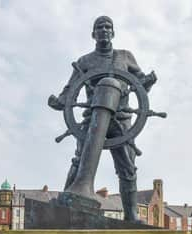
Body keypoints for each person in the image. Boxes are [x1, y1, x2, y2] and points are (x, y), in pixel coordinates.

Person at [48, 16, 156, 222]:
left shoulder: (126, 56)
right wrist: (60, 101)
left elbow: (140, 83)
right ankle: (68, 200)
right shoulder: (85, 61)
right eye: (100, 27)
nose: (104, 30)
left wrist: (148, 81)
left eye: (108, 27)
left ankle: (131, 215)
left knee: (127, 167)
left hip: (121, 118)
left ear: (113, 33)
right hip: (93, 118)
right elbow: (70, 90)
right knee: (79, 160)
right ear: (93, 34)